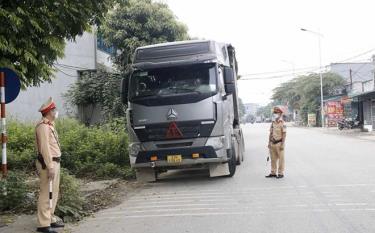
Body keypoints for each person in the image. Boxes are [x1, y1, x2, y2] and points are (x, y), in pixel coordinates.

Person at [35, 97, 64, 233]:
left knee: (54, 192)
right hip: (48, 163)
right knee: (46, 193)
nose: (56, 111)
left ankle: (50, 218)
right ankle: (43, 224)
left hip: (55, 161)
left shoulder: (50, 125)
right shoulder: (43, 127)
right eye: (54, 109)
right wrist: (50, 166)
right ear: (49, 112)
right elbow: (45, 148)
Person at [266, 106, 287, 179]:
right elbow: (270, 133)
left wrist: (282, 144)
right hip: (272, 143)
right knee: (273, 159)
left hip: (279, 143)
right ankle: (273, 172)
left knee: (281, 159)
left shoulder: (283, 123)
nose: (275, 114)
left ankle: (280, 173)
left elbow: (284, 134)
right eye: (274, 113)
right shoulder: (273, 123)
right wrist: (269, 143)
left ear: (280, 114)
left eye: (276, 112)